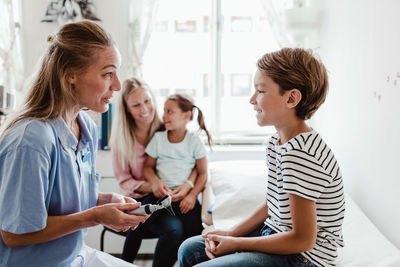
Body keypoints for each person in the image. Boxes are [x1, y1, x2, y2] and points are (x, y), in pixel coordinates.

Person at [178, 48, 345, 267]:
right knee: (189, 249)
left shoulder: (301, 155)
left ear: (292, 98)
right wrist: (233, 233)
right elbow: (273, 203)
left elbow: (303, 240)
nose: (251, 99)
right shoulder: (277, 143)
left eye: (260, 91)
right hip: (277, 234)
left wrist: (237, 244)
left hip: (304, 257)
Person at [0, 21, 148, 267]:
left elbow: (54, 200)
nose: (118, 86)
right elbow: (14, 234)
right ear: (70, 74)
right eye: (107, 73)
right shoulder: (30, 141)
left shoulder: (86, 127)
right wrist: (94, 216)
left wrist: (103, 201)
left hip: (75, 257)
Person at [110, 81, 198, 267]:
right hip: (136, 201)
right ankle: (125, 263)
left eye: (147, 101)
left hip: (166, 200)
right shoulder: (121, 140)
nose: (144, 109)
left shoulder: (166, 130)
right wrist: (154, 185)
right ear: (126, 109)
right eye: (136, 105)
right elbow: (124, 181)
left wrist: (188, 186)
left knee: (179, 228)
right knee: (164, 227)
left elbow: (189, 160)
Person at [143, 94, 212, 266]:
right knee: (168, 231)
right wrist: (155, 183)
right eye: (164, 111)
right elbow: (148, 167)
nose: (164, 116)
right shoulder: (159, 139)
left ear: (186, 116)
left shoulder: (194, 141)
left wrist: (191, 195)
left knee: (194, 237)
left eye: (170, 112)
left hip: (186, 199)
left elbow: (203, 173)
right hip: (163, 199)